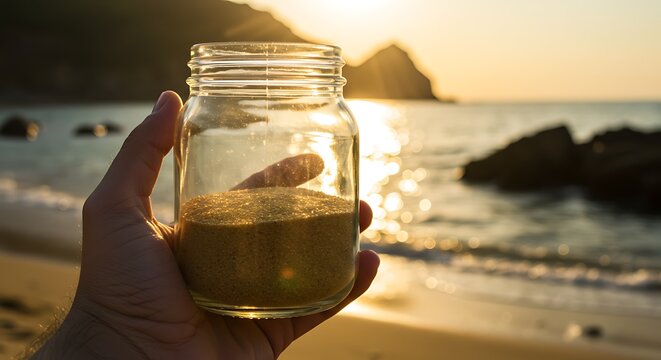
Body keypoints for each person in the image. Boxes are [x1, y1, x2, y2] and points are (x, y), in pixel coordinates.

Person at [29, 91, 380, 359]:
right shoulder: (198, 114)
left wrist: (114, 336)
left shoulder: (338, 117)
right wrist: (118, 328)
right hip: (206, 297)